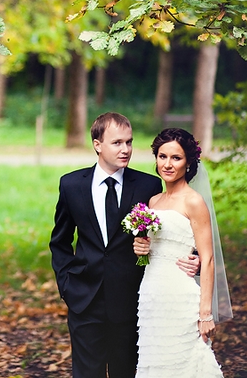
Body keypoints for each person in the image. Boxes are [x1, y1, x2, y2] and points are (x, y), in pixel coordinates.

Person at [50, 112, 200, 378]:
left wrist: (195, 257)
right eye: (117, 142)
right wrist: (67, 285)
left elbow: (174, 226)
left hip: (131, 300)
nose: (126, 149)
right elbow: (60, 241)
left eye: (129, 142)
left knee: (126, 372)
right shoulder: (71, 185)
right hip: (84, 298)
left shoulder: (148, 185)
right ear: (97, 144)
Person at [133, 128, 232, 377]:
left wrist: (205, 314)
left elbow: (207, 259)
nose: (167, 164)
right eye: (162, 156)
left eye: (176, 158)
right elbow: (155, 248)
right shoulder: (153, 202)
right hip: (151, 295)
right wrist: (141, 248)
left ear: (188, 162)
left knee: (182, 360)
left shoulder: (193, 201)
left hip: (179, 296)